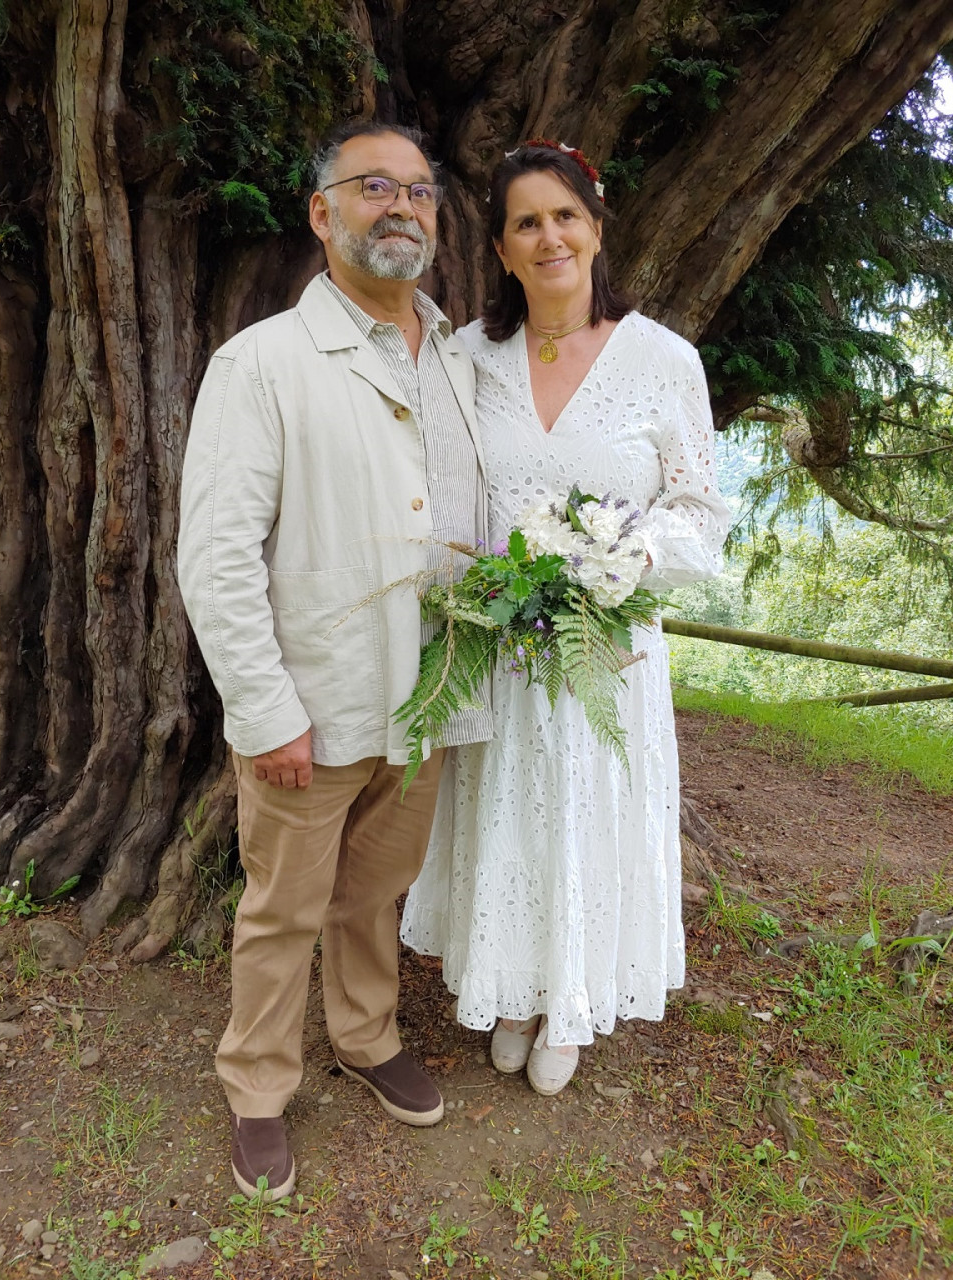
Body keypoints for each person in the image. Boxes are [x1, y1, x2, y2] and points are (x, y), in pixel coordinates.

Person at [178, 120, 490, 1199]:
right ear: (323, 214)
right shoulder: (261, 362)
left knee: (377, 894)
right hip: (312, 699)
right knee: (283, 907)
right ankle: (258, 1082)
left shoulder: (458, 358)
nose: (401, 207)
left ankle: (363, 1034)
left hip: (430, 695)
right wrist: (266, 712)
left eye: (419, 193)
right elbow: (215, 557)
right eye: (373, 188)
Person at [401, 140, 730, 1096]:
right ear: (501, 251)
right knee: (506, 813)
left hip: (609, 655)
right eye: (526, 223)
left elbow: (700, 513)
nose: (549, 238)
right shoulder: (469, 359)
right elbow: (439, 494)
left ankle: (570, 998)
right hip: (498, 648)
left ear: (596, 227)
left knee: (585, 813)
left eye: (565, 216)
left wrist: (622, 560)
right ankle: (505, 988)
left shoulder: (665, 362)